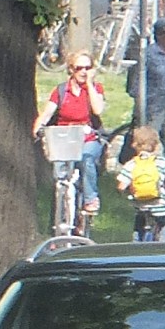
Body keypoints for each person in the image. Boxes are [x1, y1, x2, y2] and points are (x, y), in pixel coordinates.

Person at [32, 49, 106, 216]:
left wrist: (89, 85)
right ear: (71, 69)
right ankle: (58, 219)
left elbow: (98, 109)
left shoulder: (95, 89)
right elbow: (47, 114)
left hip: (87, 138)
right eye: (79, 68)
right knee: (60, 177)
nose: (83, 72)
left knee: (87, 158)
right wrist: (37, 128)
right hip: (64, 139)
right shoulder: (61, 91)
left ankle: (90, 199)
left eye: (88, 68)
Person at [129, 18, 165, 170]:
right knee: (149, 141)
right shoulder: (148, 54)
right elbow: (136, 81)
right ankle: (147, 170)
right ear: (159, 35)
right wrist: (139, 102)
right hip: (153, 107)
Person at [115, 125, 165, 242]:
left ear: (134, 145)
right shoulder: (160, 162)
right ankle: (164, 245)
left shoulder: (131, 164)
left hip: (141, 207)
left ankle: (136, 245)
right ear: (155, 145)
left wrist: (128, 191)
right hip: (160, 208)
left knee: (139, 225)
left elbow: (121, 186)